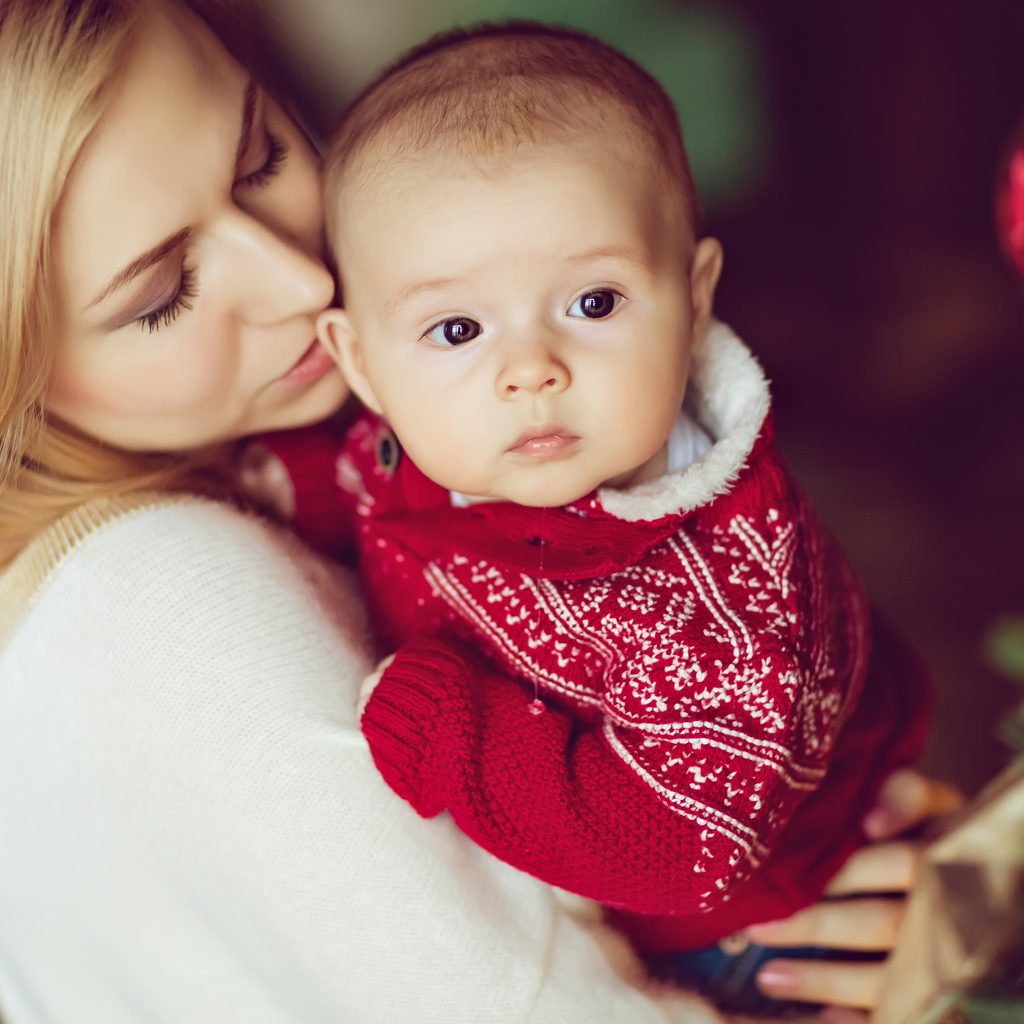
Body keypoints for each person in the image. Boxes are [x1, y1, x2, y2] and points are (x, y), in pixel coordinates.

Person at [0, 1, 960, 1021]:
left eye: (259, 157)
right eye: (162, 293)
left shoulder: (385, 422)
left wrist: (852, 825)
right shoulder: (174, 598)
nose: (300, 277)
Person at [258, 23, 932, 1013]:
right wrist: (277, 487)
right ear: (360, 361)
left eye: (593, 301)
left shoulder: (718, 606)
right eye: (456, 328)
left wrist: (455, 731)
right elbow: (367, 481)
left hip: (730, 932)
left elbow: (669, 850)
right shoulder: (421, 434)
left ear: (694, 298)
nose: (530, 367)